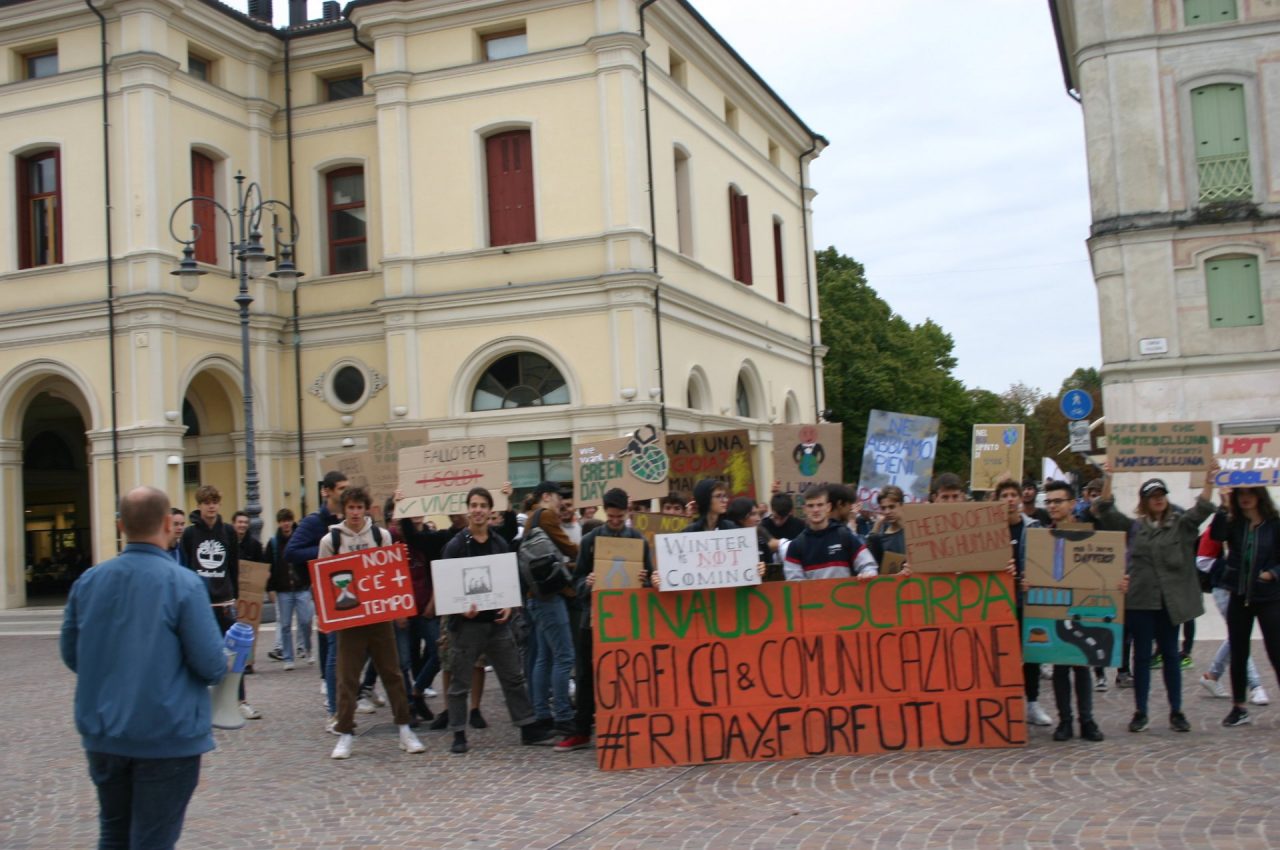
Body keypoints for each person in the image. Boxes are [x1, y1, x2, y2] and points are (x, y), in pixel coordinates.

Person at [61, 486, 226, 850]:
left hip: (105, 732)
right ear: (169, 523)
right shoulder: (183, 583)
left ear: (121, 526)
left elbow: (73, 655)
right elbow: (211, 664)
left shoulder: (88, 582)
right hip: (167, 735)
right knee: (153, 841)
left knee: (114, 835)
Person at [1094, 464, 1218, 733]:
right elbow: (1105, 510)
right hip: (1141, 602)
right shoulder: (1134, 527)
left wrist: (1210, 480)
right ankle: (1141, 711)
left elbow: (1203, 509)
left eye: (1161, 494)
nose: (1158, 499)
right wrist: (1109, 477)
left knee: (1171, 656)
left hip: (1169, 603)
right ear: (1144, 501)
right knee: (1140, 657)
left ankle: (1176, 711)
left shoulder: (1180, 525)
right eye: (1152, 495)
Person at [441, 486, 557, 753]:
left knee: (513, 677)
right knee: (460, 682)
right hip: (467, 626)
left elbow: (507, 580)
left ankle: (527, 727)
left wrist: (509, 606)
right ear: (468, 509)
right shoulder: (455, 546)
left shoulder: (499, 543)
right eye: (474, 505)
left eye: (483, 505)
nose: (478, 510)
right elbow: (448, 587)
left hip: (496, 624)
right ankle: (458, 732)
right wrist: (460, 610)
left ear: (490, 510)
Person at [318, 486, 424, 759]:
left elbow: (392, 573)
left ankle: (404, 728)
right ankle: (345, 733)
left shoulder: (381, 535)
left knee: (393, 673)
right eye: (350, 508)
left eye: (359, 507)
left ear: (366, 509)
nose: (355, 512)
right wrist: (325, 617)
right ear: (344, 510)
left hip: (379, 617)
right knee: (347, 678)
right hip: (350, 619)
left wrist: (399, 608)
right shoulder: (331, 540)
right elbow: (322, 582)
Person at [556, 487, 654, 752]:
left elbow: (652, 581)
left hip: (628, 620)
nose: (614, 521)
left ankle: (629, 726)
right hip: (594, 619)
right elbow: (576, 583)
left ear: (628, 512)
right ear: (604, 511)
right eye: (611, 516)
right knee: (586, 674)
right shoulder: (590, 540)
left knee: (628, 673)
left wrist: (646, 581)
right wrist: (586, 583)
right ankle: (582, 731)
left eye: (619, 517)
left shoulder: (639, 540)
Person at [180, 485, 259, 720]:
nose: (211, 506)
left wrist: (235, 594)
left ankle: (239, 699)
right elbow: (186, 567)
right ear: (199, 505)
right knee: (200, 652)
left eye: (214, 501)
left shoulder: (227, 531)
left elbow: (233, 564)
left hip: (225, 601)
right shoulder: (190, 534)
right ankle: (202, 703)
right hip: (201, 603)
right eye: (206, 502)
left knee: (235, 652)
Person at [1041, 480, 1106, 742]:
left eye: (1058, 501)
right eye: (1049, 502)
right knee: (1060, 666)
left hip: (1081, 602)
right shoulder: (1040, 535)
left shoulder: (1087, 532)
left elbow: (1104, 565)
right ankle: (1065, 720)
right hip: (1051, 603)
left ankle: (1086, 720)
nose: (1053, 506)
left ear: (1072, 503)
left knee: (1081, 663)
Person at [1210, 486, 1280, 727]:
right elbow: (1217, 536)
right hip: (1239, 595)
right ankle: (1239, 707)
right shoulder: (1234, 522)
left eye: (1250, 493)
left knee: (1276, 651)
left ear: (1260, 496)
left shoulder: (1274, 524)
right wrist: (1222, 505)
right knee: (1238, 651)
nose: (1246, 498)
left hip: (1268, 596)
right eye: (1241, 494)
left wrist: (1272, 573)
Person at [284, 471, 347, 731]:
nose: (344, 493)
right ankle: (333, 710)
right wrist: (328, 548)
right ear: (327, 491)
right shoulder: (314, 523)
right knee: (333, 650)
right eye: (341, 488)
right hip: (327, 594)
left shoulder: (349, 519)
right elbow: (291, 551)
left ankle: (354, 696)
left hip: (351, 592)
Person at [995, 478, 1053, 729]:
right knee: (999, 656)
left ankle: (1031, 703)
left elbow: (1045, 563)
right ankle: (1001, 704)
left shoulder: (1034, 528)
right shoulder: (986, 530)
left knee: (1030, 655)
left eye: (1012, 494)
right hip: (996, 605)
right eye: (1004, 495)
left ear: (1019, 499)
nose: (1009, 499)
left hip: (1025, 602)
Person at [523, 481, 580, 735]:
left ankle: (542, 715)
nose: (560, 504)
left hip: (535, 595)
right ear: (546, 496)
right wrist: (591, 549)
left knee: (544, 658)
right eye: (558, 497)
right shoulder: (545, 515)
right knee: (565, 656)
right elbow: (569, 547)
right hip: (550, 595)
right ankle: (563, 716)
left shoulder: (529, 518)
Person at [1196, 525, 1268, 704]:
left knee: (1236, 635)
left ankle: (1212, 675)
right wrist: (1232, 567)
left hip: (1248, 587)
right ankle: (1255, 686)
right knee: (1238, 635)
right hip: (1225, 587)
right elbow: (1202, 560)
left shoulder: (1257, 524)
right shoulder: (1220, 525)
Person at [783, 486, 878, 581]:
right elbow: (795, 586)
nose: (815, 510)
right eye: (811, 506)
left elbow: (869, 565)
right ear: (804, 509)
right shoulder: (796, 546)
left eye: (820, 505)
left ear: (828, 507)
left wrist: (867, 574)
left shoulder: (844, 536)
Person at [265, 508, 310, 671]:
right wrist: (270, 588)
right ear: (279, 523)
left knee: (305, 621)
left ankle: (307, 648)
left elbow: (307, 561)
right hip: (283, 589)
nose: (286, 524)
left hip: (302, 587)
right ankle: (288, 657)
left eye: (288, 520)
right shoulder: (274, 543)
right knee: (285, 625)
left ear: (292, 521)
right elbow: (268, 566)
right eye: (283, 521)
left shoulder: (300, 539)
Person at [865, 485, 906, 566]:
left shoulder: (914, 532)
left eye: (892, 507)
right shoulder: (881, 537)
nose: (887, 512)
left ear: (902, 505)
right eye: (883, 508)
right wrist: (875, 529)